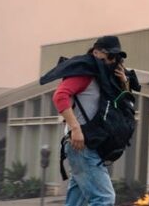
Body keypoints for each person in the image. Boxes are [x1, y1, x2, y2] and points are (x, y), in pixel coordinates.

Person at [45, 35, 134, 206]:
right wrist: (75, 128)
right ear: (96, 52)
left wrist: (124, 83)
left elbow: (123, 104)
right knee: (104, 198)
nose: (112, 60)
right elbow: (60, 96)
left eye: (116, 57)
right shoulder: (85, 74)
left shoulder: (103, 79)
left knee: (76, 201)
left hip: (88, 146)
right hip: (82, 145)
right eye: (109, 55)